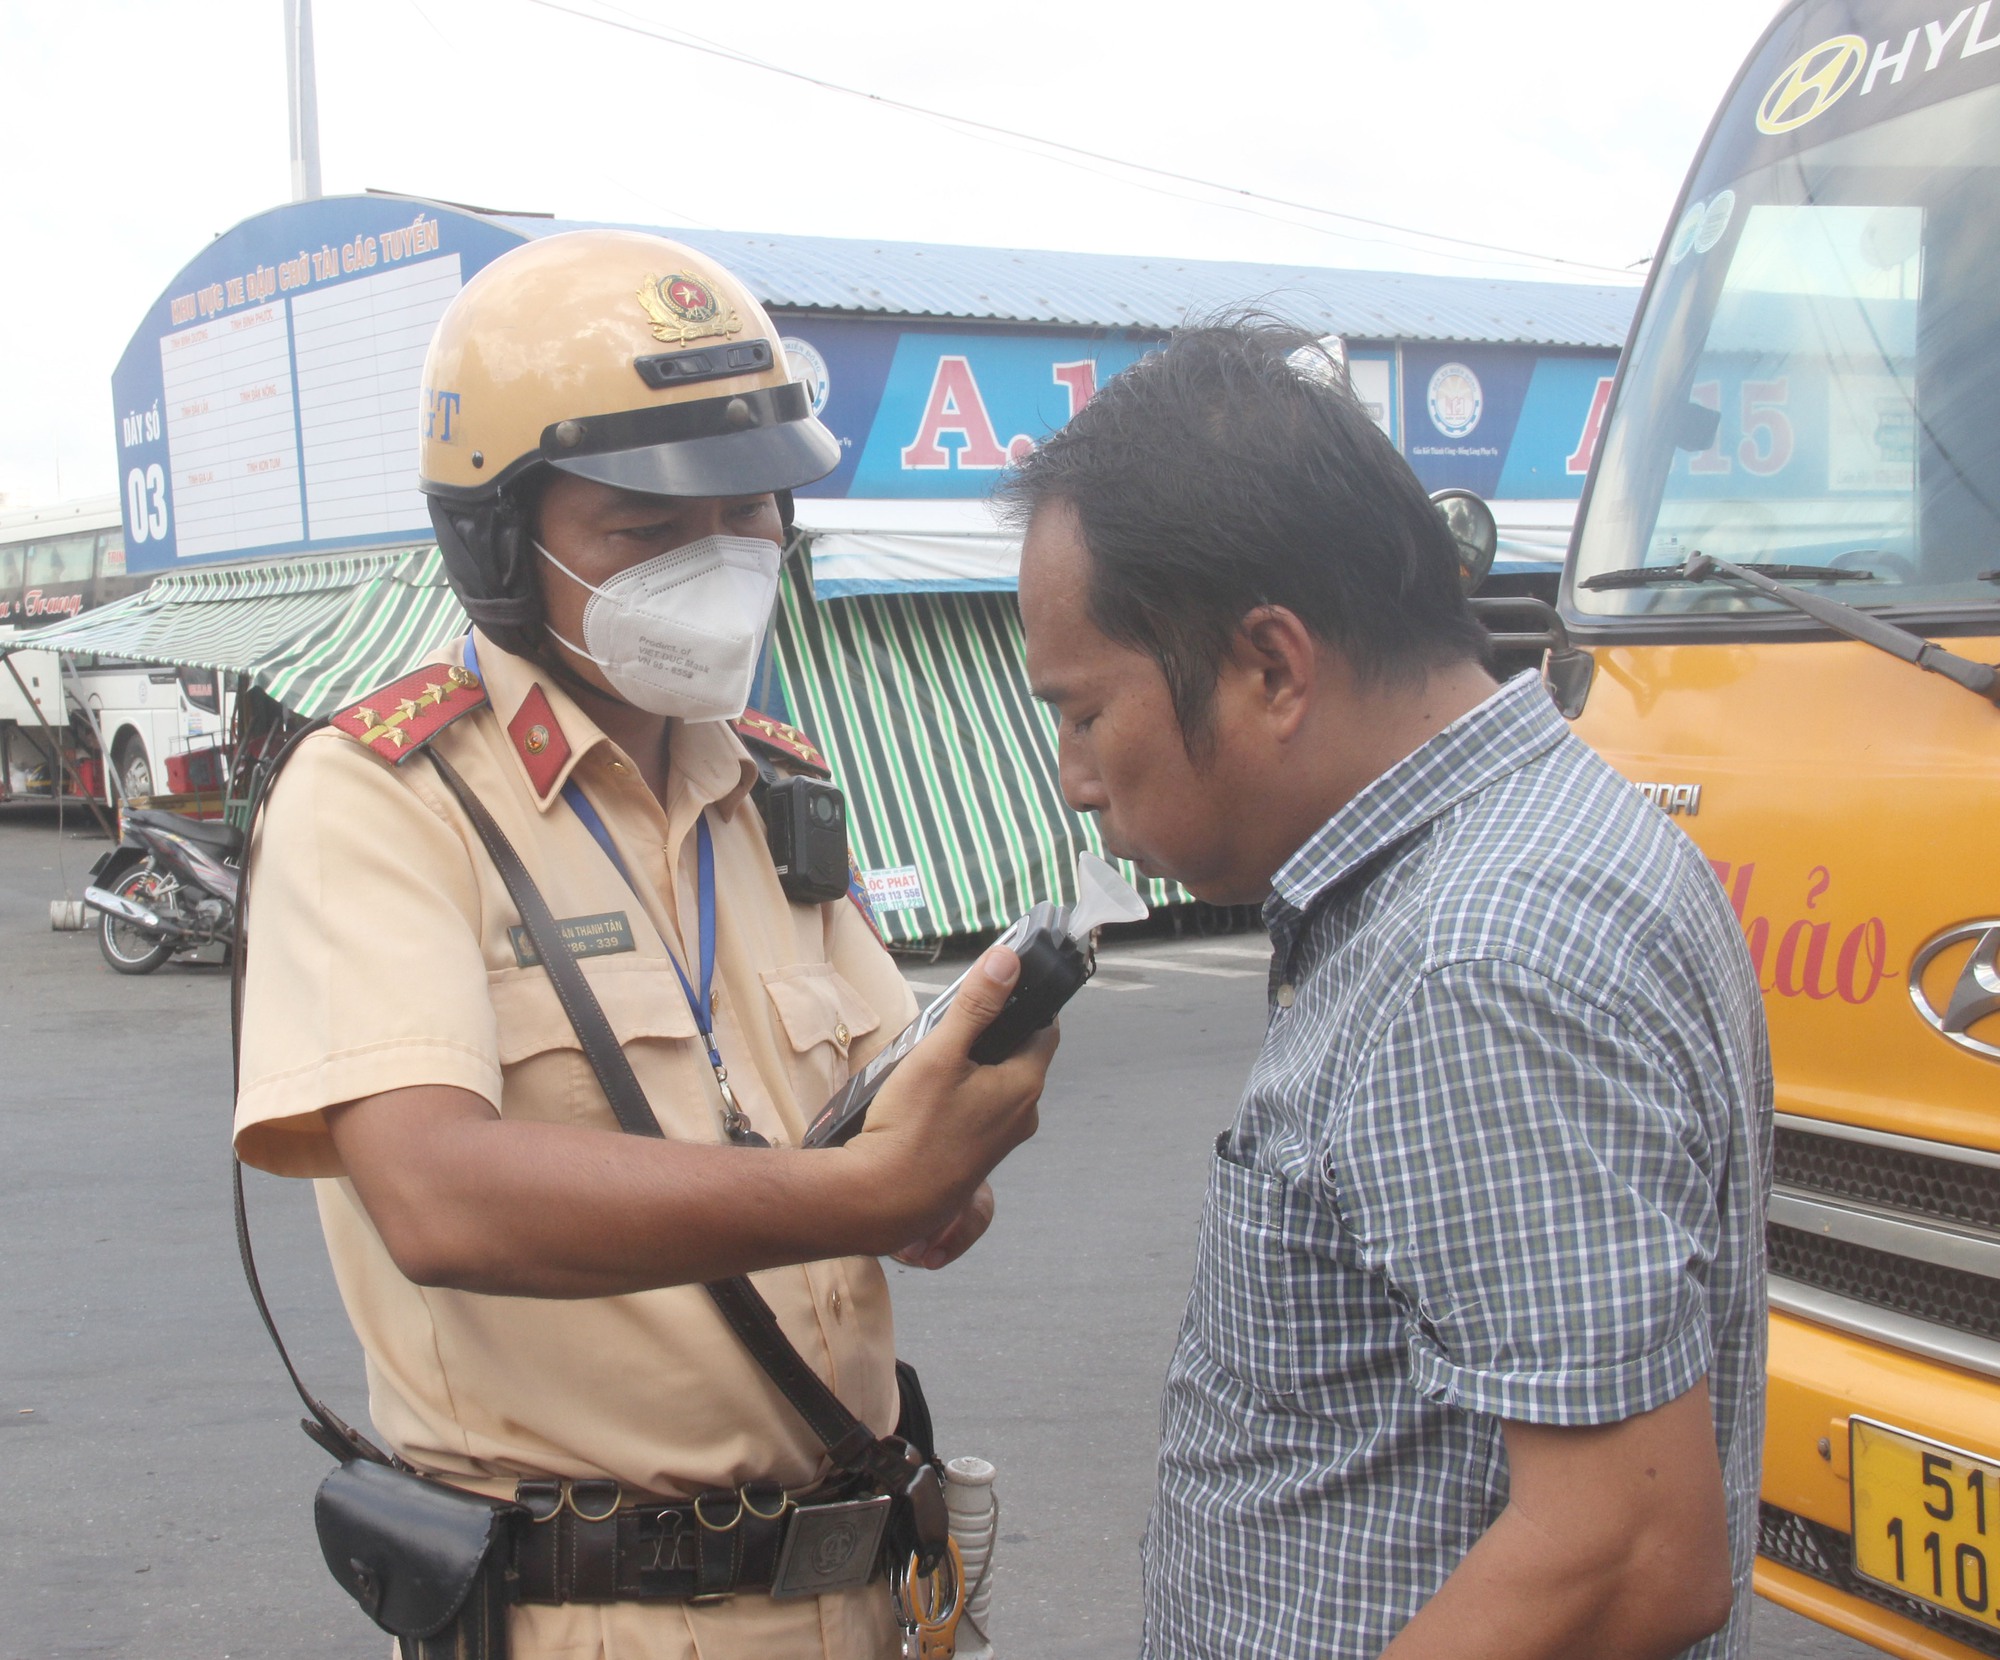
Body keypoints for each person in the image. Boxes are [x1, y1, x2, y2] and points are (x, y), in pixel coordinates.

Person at [232, 229, 1053, 1660]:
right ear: (498, 537)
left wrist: (937, 1183)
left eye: (751, 517)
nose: (723, 565)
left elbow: (883, 1130)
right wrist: (860, 1194)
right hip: (586, 1614)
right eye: (648, 531)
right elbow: (439, 1197)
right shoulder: (384, 803)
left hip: (861, 1592)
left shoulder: (775, 786)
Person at [1006, 321, 1771, 1660]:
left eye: (1082, 714)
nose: (1074, 777)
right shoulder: (1517, 849)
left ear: (1272, 668)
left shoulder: (1477, 952)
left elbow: (1626, 1555)